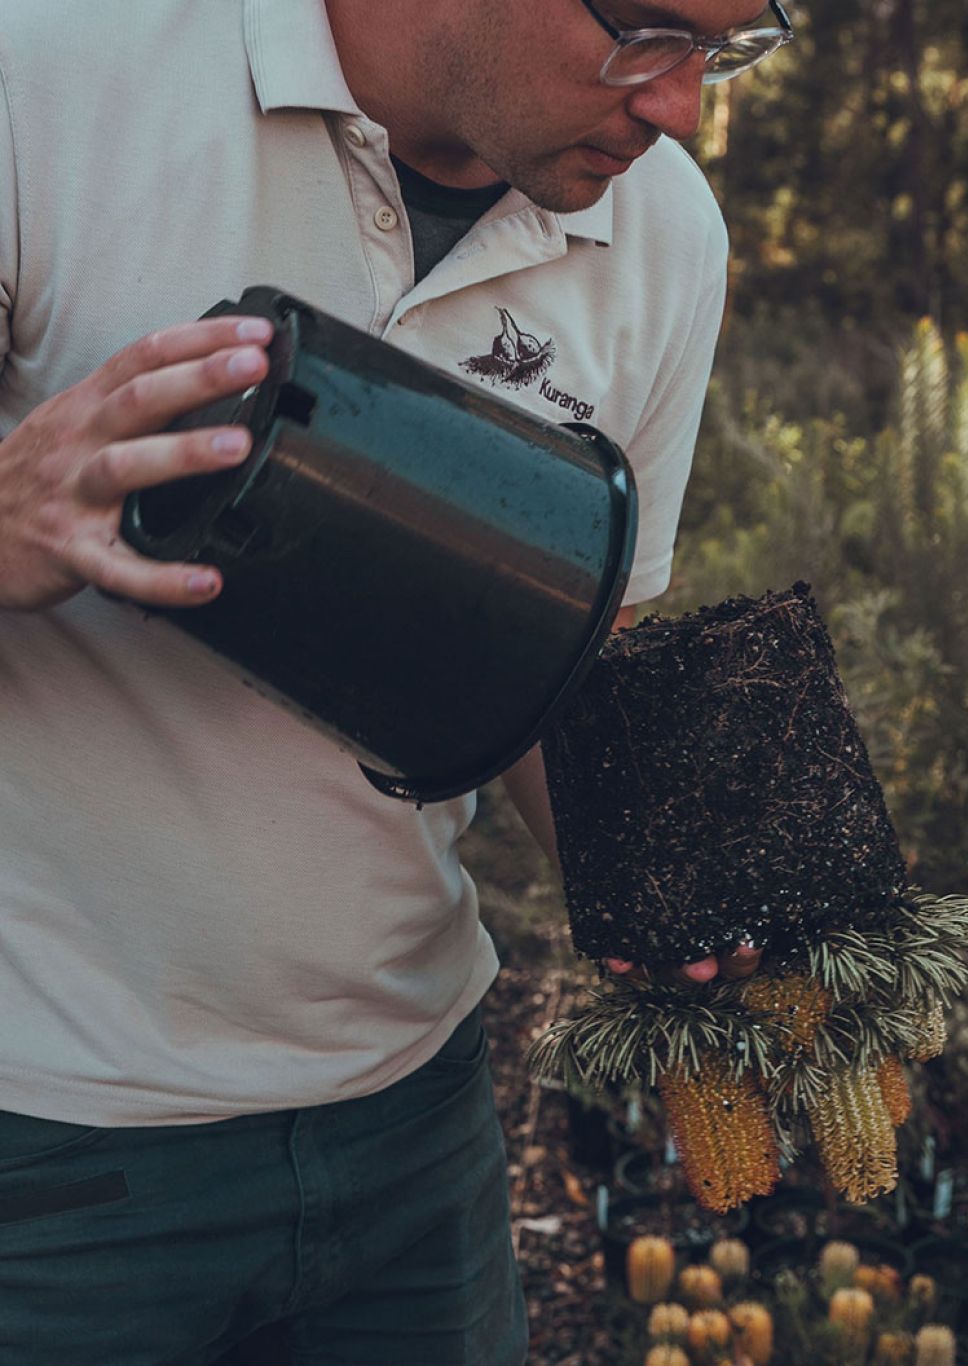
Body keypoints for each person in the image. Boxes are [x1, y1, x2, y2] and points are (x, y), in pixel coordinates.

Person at [0, 0, 788, 1361]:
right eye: (652, 30)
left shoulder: (666, 233)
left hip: (413, 1134)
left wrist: (679, 889)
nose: (681, 109)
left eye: (728, 47)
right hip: (55, 1157)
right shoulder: (49, 76)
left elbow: (561, 674)